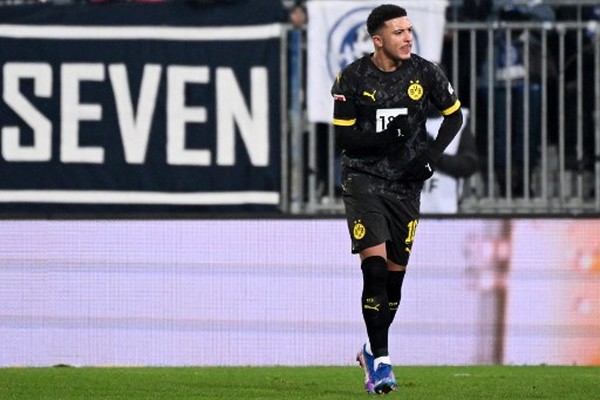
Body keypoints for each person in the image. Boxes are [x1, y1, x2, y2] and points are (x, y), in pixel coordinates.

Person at [330, 4, 462, 395]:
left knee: (393, 284)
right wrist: (391, 138)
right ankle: (383, 366)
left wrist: (431, 158)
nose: (407, 38)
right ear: (378, 39)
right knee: (373, 271)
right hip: (364, 181)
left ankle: (370, 350)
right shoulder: (351, 78)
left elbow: (453, 116)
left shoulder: (425, 72)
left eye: (409, 30)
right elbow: (345, 138)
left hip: (406, 187)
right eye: (398, 32)